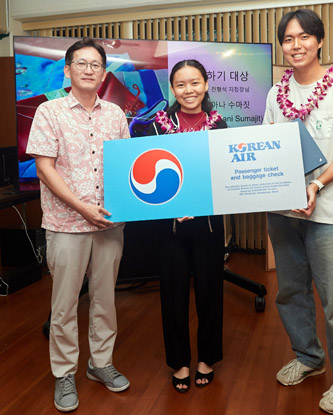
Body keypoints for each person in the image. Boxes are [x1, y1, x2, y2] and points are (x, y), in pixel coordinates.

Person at [263, 9, 333, 414]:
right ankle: (308, 357)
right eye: (288, 39)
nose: (296, 45)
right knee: (290, 292)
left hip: (326, 212)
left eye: (305, 37)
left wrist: (316, 185)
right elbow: (268, 145)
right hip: (283, 211)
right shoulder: (277, 94)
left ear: (320, 41)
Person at [26, 37, 130, 412]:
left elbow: (126, 166)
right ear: (67, 70)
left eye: (96, 65)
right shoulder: (49, 112)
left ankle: (100, 364)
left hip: (109, 224)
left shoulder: (116, 115)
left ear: (104, 73)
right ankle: (64, 373)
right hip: (65, 223)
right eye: (81, 63)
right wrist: (82, 208)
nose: (89, 70)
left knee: (105, 301)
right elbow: (44, 168)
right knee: (65, 305)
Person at [147, 59, 227, 393]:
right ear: (173, 89)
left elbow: (224, 175)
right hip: (172, 227)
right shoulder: (156, 127)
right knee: (173, 294)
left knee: (210, 292)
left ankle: (207, 358)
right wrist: (173, 206)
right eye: (181, 85)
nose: (188, 90)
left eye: (195, 83)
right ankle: (179, 361)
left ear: (206, 85)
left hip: (208, 223)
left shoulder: (219, 125)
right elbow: (148, 173)